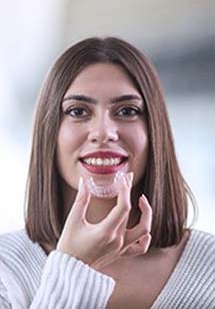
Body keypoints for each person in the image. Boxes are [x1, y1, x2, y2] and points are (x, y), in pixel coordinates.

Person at [0, 37, 214, 309]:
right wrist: (74, 266)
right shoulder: (6, 270)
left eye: (127, 111)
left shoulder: (210, 268)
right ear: (50, 133)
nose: (103, 132)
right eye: (78, 111)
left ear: (154, 132)